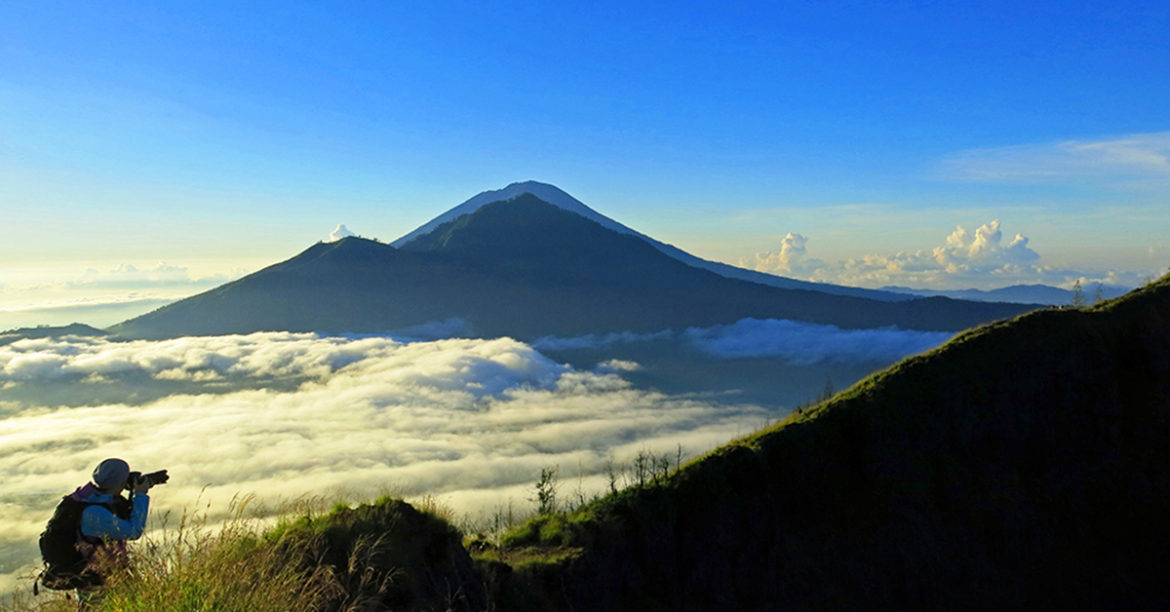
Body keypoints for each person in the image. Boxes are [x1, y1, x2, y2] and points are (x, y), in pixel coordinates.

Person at [39, 458, 159, 605]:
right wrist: (140, 495)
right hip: (97, 578)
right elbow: (133, 531)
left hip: (103, 575)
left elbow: (119, 511)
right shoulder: (93, 512)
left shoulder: (88, 498)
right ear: (119, 483)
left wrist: (130, 487)